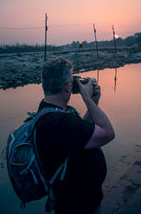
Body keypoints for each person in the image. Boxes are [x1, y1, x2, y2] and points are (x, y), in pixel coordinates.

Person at [35, 57, 115, 214]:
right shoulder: (57, 122)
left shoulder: (50, 111)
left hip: (75, 198)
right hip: (78, 204)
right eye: (72, 80)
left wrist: (94, 101)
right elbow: (108, 133)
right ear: (67, 87)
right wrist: (86, 98)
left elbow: (80, 136)